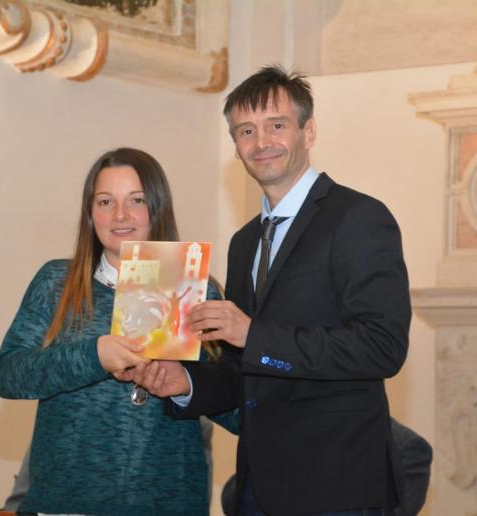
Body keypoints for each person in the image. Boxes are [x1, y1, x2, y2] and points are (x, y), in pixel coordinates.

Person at [121, 66, 411, 515]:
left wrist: (253, 335)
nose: (261, 142)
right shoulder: (245, 241)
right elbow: (244, 368)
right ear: (236, 146)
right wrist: (186, 384)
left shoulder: (358, 217)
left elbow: (382, 347)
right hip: (257, 485)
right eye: (246, 131)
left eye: (277, 125)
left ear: (308, 132)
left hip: (337, 485)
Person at [0, 147, 235, 516]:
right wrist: (94, 356)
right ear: (90, 214)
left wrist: (188, 385)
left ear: (157, 208)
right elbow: (9, 375)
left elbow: (241, 413)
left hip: (166, 502)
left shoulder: (198, 291)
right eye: (105, 202)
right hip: (65, 502)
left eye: (136, 200)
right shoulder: (56, 282)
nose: (121, 215)